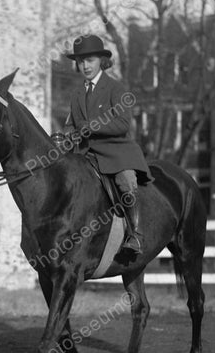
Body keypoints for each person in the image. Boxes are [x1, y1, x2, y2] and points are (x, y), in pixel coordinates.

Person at [63, 34, 153, 255]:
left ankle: (136, 234)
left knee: (125, 180)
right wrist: (67, 136)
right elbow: (72, 125)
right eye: (81, 61)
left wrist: (90, 126)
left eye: (90, 60)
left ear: (101, 61)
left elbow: (122, 124)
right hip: (85, 153)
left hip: (116, 152)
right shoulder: (76, 94)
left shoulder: (115, 88)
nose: (85, 66)